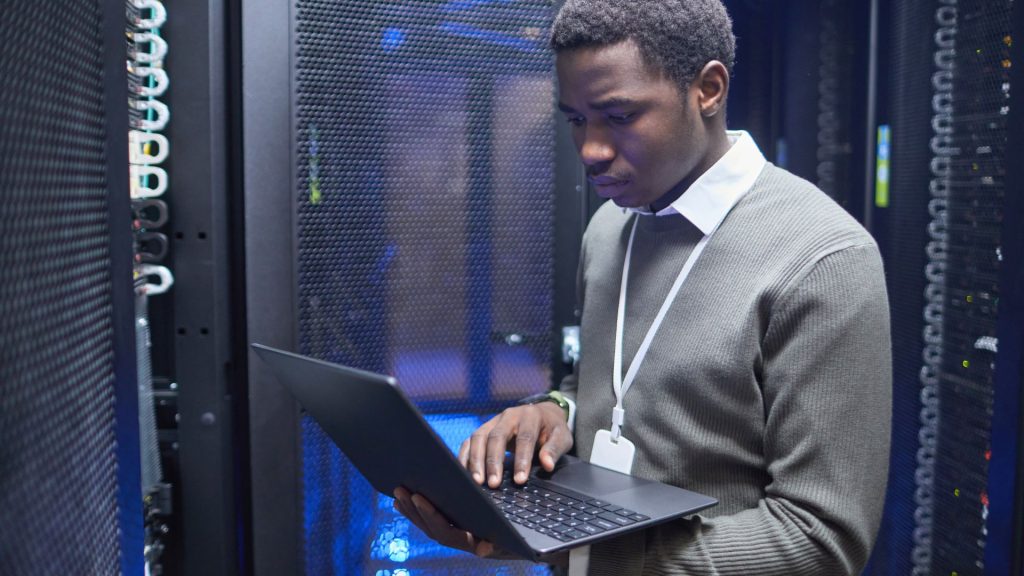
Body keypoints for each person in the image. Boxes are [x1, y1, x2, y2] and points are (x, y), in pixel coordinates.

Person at [393, 0, 893, 573]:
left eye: (620, 116)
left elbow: (821, 539)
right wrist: (555, 410)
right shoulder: (609, 228)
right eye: (577, 119)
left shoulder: (823, 258)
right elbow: (605, 389)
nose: (591, 151)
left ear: (707, 89)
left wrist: (587, 551)